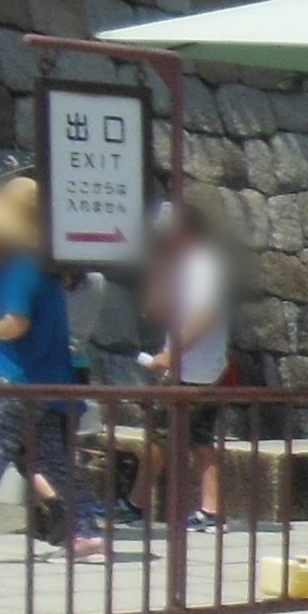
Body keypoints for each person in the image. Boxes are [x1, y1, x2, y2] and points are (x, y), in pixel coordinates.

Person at [0, 171, 95, 563]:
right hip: (49, 382)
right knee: (50, 460)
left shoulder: (19, 268)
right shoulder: (44, 269)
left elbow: (16, 323)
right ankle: (84, 531)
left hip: (16, 380)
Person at [136, 195, 231, 530]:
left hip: (192, 367)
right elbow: (156, 308)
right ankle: (212, 509)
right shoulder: (183, 265)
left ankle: (136, 503)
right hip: (199, 366)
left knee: (159, 436)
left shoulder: (203, 264)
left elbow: (205, 314)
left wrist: (171, 355)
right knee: (200, 439)